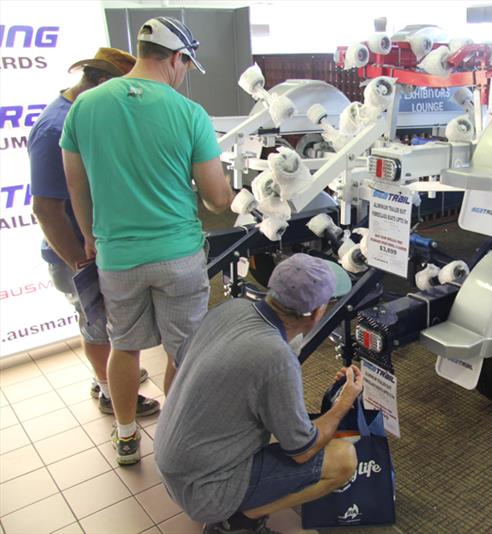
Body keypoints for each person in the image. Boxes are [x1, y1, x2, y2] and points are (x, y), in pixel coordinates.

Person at [61, 17, 234, 466]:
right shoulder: (188, 113)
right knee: (185, 349)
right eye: (186, 66)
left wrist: (90, 238)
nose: (184, 75)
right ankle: (176, 439)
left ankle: (124, 437)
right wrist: (230, 190)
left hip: (117, 256)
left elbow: (76, 187)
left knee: (125, 345)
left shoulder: (85, 106)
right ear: (177, 58)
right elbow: (217, 200)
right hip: (177, 254)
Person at [155, 254, 359, 534]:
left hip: (172, 466)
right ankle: (238, 520)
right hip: (205, 490)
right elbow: (302, 450)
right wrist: (344, 402)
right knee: (343, 460)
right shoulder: (276, 357)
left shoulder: (233, 308)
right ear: (316, 313)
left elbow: (179, 362)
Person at [29, 48, 156, 416]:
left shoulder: (81, 116)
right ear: (102, 84)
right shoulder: (56, 128)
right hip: (73, 252)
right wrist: (80, 261)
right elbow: (46, 208)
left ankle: (112, 376)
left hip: (93, 246)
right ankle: (109, 392)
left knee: (105, 325)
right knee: (97, 325)